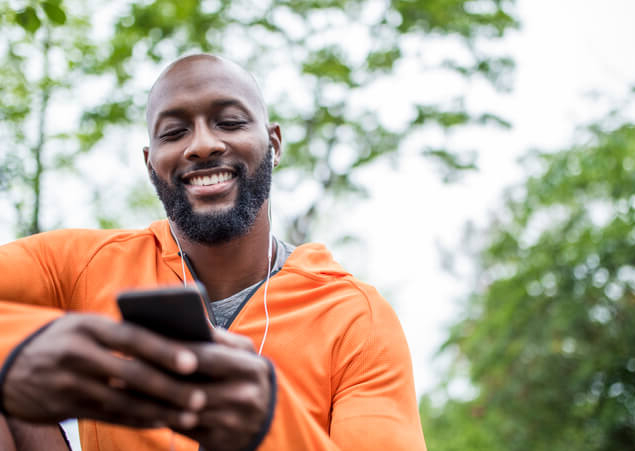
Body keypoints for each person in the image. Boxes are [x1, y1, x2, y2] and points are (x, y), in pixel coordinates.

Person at [0, 54, 427, 451]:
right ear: (151, 163)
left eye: (229, 122)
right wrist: (19, 348)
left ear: (274, 144)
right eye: (174, 132)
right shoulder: (83, 266)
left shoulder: (356, 320)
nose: (202, 145)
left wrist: (268, 424)